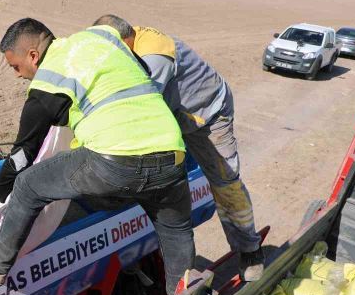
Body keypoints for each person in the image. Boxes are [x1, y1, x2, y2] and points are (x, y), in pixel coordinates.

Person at [0, 18, 195, 295]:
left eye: (16, 66)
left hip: (115, 160)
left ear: (33, 56)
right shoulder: (103, 37)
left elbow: (23, 157)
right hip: (171, 153)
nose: (18, 75)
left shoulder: (47, 82)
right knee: (176, 232)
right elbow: (140, 72)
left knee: (28, 185)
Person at [92, 15, 264, 280]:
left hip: (208, 115)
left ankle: (249, 249)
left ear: (125, 41)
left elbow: (139, 108)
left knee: (225, 182)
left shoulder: (154, 57)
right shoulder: (120, 44)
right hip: (174, 115)